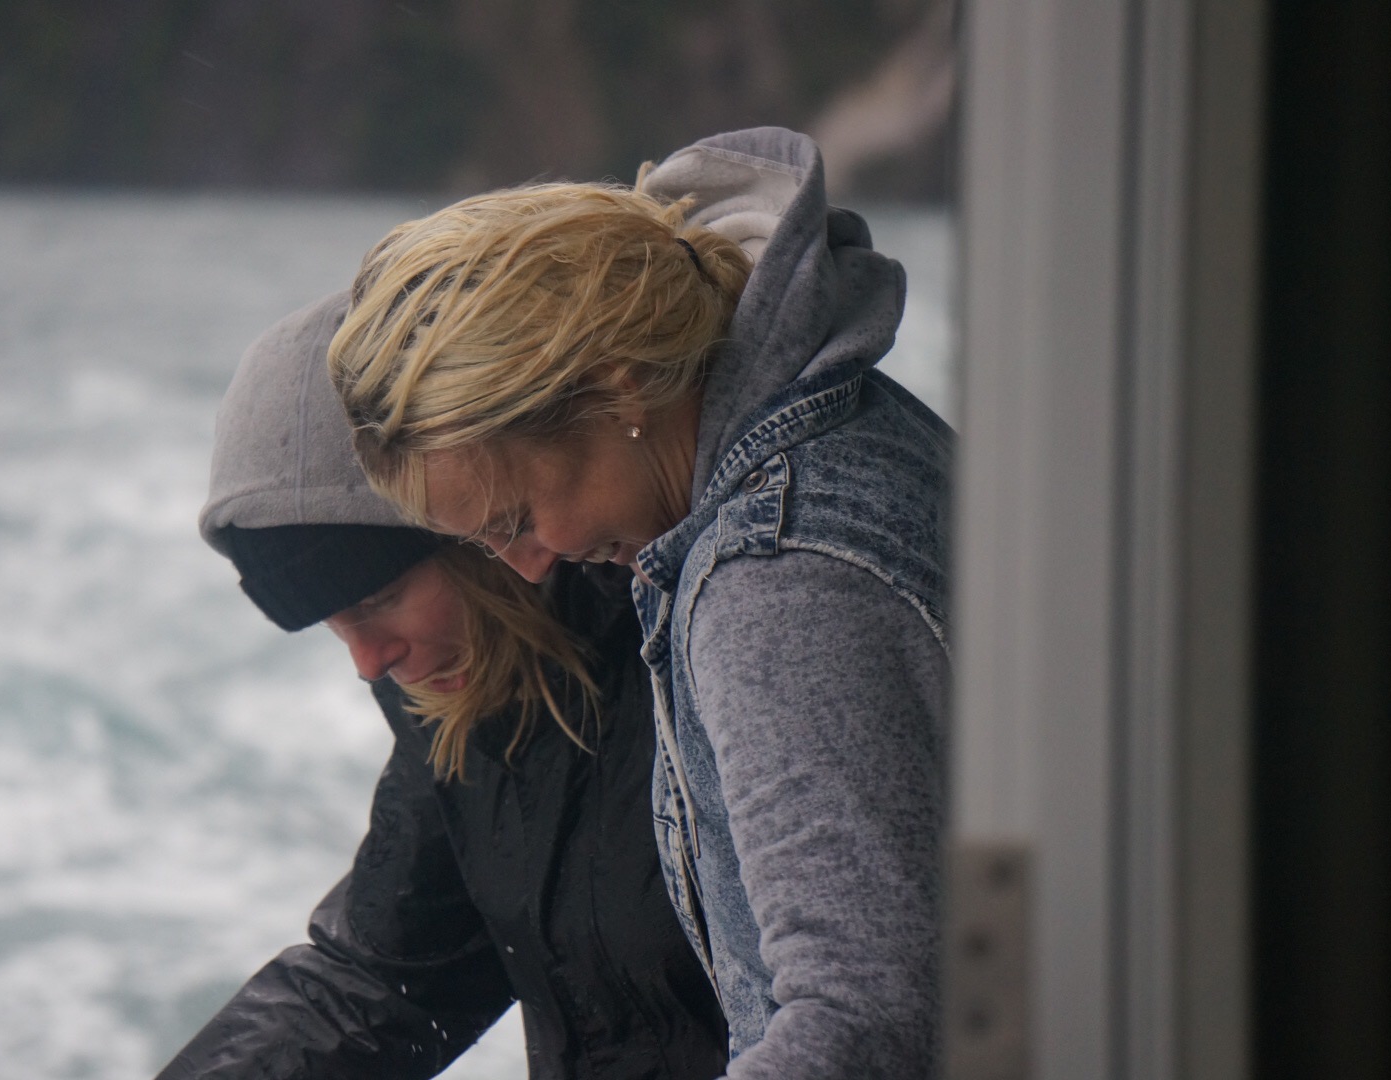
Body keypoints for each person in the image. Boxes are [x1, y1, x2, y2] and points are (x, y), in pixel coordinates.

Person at [328, 127, 952, 1079]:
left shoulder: (773, 579)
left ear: (618, 390)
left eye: (518, 518)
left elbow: (864, 1024)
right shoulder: (854, 431)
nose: (530, 568)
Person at [154, 291, 728, 1080]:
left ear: (474, 526)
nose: (368, 662)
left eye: (378, 601)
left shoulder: (724, 636)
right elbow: (381, 987)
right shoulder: (468, 700)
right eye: (333, 624)